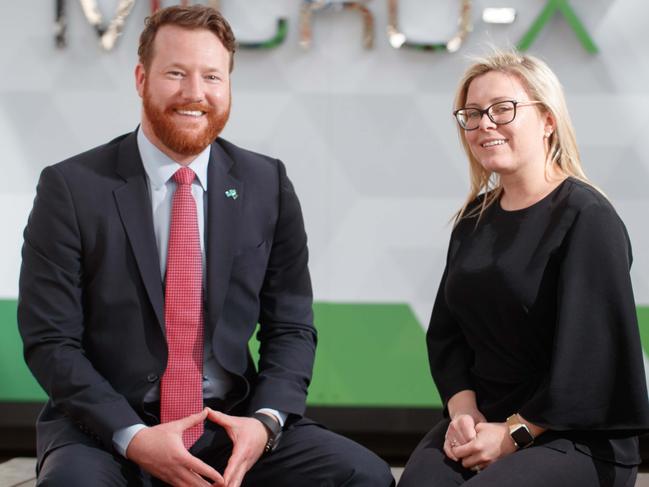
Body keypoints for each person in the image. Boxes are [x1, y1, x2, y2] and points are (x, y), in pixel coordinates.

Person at [18, 5, 394, 487]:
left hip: (228, 425)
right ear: (141, 78)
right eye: (176, 73)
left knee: (364, 477)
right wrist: (132, 435)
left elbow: (291, 327)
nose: (195, 93)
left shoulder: (266, 184)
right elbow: (51, 340)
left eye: (212, 76)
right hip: (106, 431)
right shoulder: (71, 188)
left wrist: (265, 422)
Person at [397, 49, 649, 487]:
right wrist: (463, 412)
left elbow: (591, 366)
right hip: (484, 420)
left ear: (548, 120)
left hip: (574, 437)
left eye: (502, 109)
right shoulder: (473, 219)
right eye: (472, 114)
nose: (485, 124)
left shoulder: (588, 218)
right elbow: (448, 336)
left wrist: (514, 434)